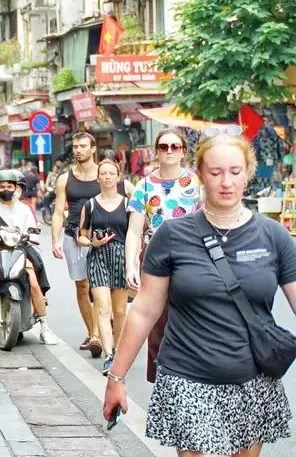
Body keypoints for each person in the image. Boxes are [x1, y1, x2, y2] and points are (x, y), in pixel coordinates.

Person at [103, 134, 296, 456]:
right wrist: (116, 377)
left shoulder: (272, 235)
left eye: (235, 171)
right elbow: (145, 310)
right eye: (216, 172)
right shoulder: (173, 235)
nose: (226, 182)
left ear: (248, 172)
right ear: (200, 175)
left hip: (252, 376)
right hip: (186, 374)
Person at [124, 129, 202, 383]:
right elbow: (134, 231)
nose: (169, 151)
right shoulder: (144, 185)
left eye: (175, 147)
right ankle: (160, 378)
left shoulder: (196, 183)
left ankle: (191, 371)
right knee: (155, 317)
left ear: (183, 151)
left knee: (190, 312)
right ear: (156, 151)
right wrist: (130, 266)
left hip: (190, 254)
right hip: (155, 254)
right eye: (164, 146)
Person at [0, 169, 58, 344]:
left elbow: (32, 231)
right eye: (2, 186)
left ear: (15, 188)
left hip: (20, 250)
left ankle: (44, 326)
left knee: (34, 281)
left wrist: (30, 237)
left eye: (9, 186)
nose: (6, 189)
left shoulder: (24, 210)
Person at [51, 132, 103, 357]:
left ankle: (101, 333)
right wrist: (55, 240)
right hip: (74, 236)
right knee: (82, 286)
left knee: (101, 286)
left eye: (83, 146)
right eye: (75, 146)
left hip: (102, 237)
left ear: (93, 149)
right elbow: (57, 212)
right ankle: (94, 333)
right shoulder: (65, 179)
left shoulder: (104, 174)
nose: (78, 150)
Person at [77, 158, 131, 375]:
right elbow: (80, 236)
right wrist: (92, 242)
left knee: (119, 310)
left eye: (111, 173)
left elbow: (136, 233)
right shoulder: (89, 205)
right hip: (98, 257)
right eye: (103, 173)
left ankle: (117, 350)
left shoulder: (128, 204)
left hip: (121, 257)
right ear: (98, 177)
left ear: (118, 177)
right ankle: (108, 355)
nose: (107, 177)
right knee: (102, 306)